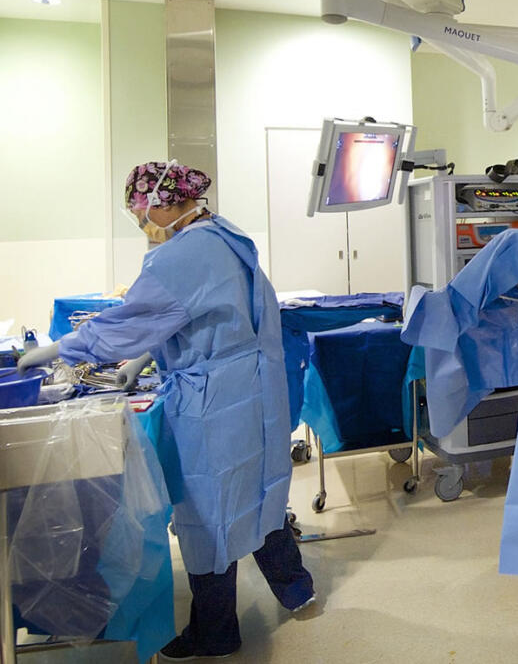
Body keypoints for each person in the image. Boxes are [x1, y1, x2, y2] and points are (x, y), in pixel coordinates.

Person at [19, 160, 315, 659]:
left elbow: (134, 319)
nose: (141, 222)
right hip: (256, 386)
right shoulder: (226, 236)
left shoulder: (178, 256)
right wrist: (143, 359)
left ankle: (215, 633)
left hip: (216, 399)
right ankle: (296, 588)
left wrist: (59, 349)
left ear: (161, 200)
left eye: (140, 211)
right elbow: (202, 312)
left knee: (207, 510)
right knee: (261, 489)